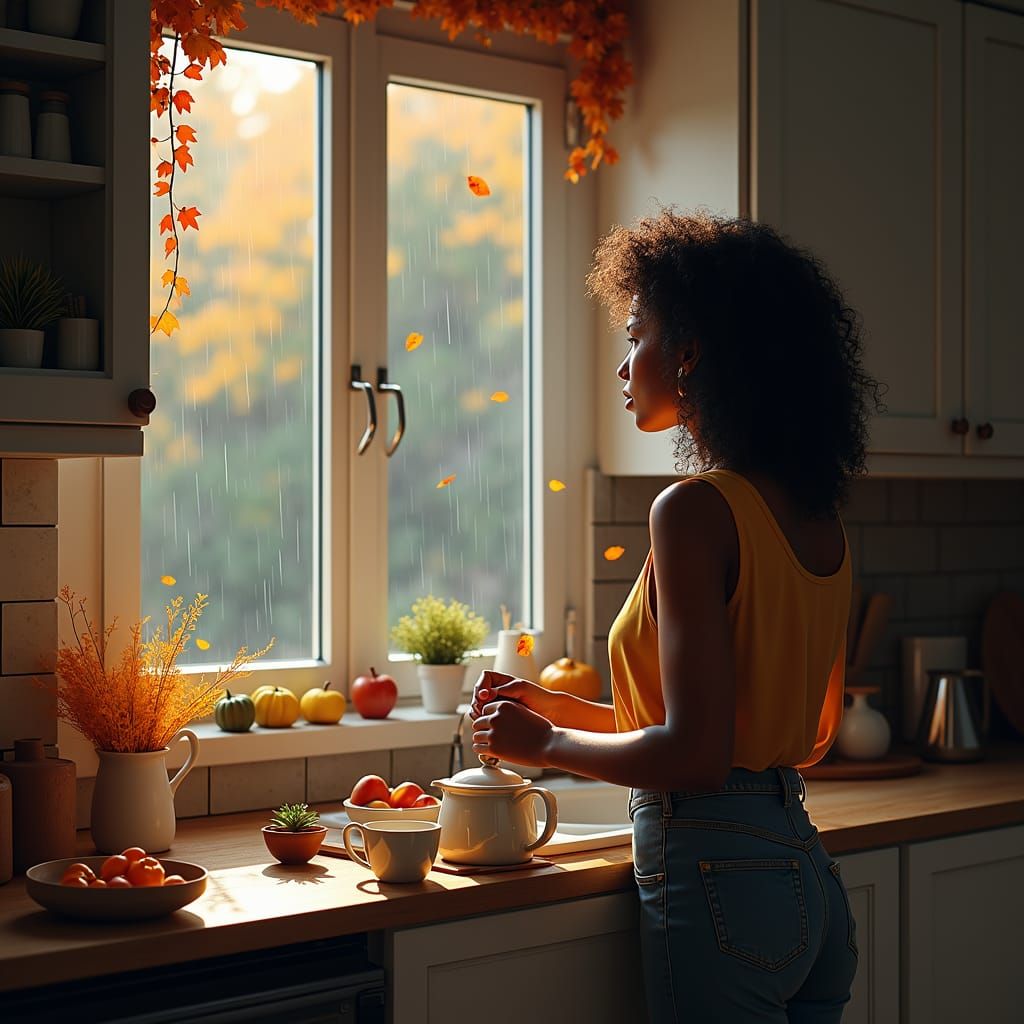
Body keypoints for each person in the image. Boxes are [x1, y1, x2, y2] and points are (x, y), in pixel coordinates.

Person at [469, 210, 884, 1022]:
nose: (625, 367)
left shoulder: (691, 509)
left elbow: (696, 758)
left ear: (690, 352)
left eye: (636, 337)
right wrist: (557, 707)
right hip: (804, 875)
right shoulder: (816, 518)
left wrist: (546, 744)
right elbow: (792, 733)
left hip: (718, 880)